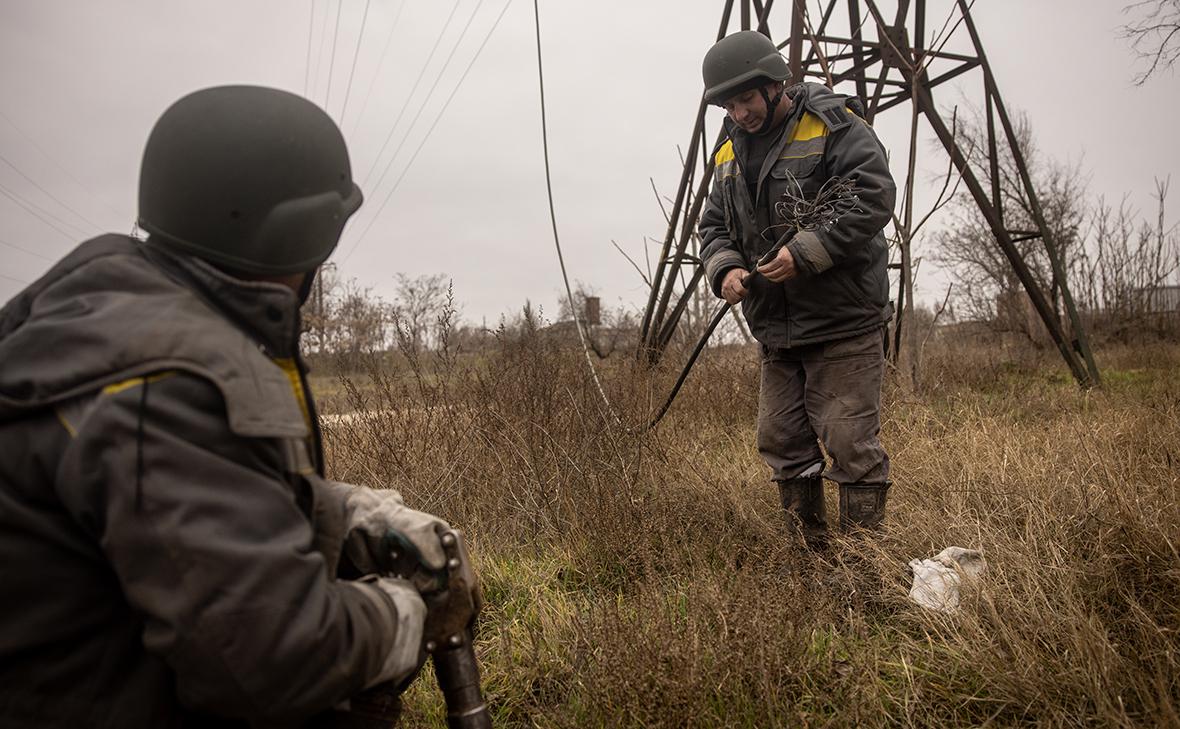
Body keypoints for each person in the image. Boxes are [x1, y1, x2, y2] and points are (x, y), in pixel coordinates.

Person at [0, 86, 462, 727]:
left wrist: (344, 513)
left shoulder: (115, 318)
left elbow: (181, 499)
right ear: (300, 237)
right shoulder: (168, 383)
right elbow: (271, 657)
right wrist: (401, 615)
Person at [698, 32, 897, 549]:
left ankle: (863, 570)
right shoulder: (726, 152)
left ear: (774, 85)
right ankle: (809, 565)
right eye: (728, 105)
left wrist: (806, 251)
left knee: (849, 443)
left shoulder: (834, 125)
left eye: (746, 99)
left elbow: (872, 195)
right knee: (782, 442)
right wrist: (725, 270)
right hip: (776, 330)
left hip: (842, 322)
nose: (739, 113)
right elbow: (714, 226)